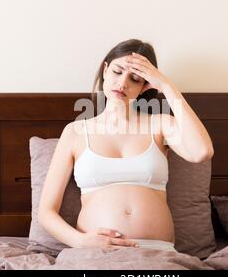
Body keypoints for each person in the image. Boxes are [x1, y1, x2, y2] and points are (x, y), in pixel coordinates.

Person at [38, 39, 214, 251]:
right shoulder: (75, 132)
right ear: (105, 70)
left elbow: (202, 151)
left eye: (135, 78)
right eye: (117, 71)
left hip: (157, 255)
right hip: (94, 253)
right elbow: (46, 212)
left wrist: (168, 87)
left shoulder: (159, 125)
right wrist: (80, 241)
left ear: (144, 87)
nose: (122, 84)